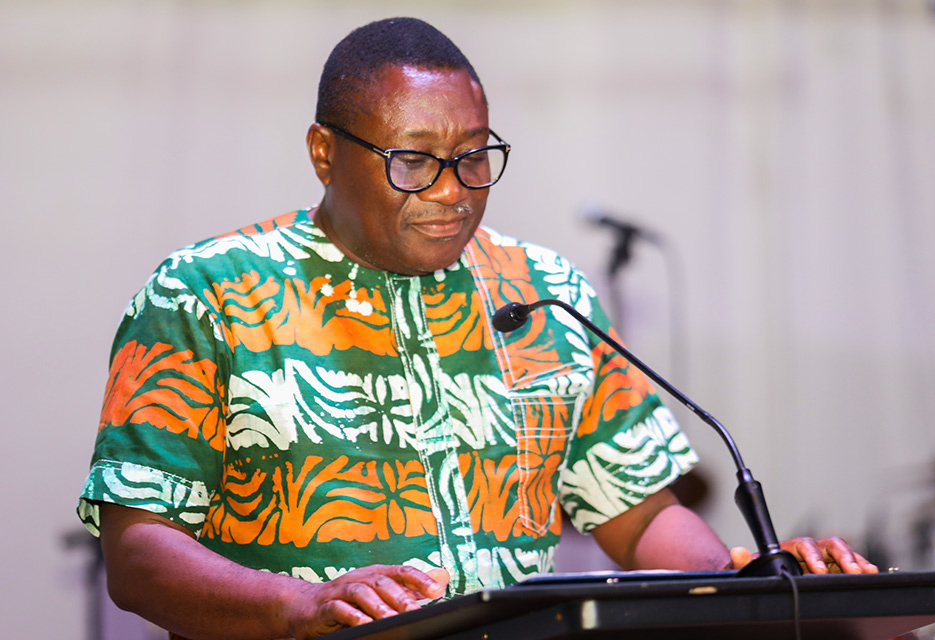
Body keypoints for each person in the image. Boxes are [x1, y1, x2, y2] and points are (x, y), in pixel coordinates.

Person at [77, 17, 877, 640]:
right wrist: (300, 606)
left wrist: (758, 582)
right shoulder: (206, 294)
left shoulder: (547, 293)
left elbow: (640, 516)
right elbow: (139, 553)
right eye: (413, 160)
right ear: (324, 154)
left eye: (473, 155)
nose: (453, 190)